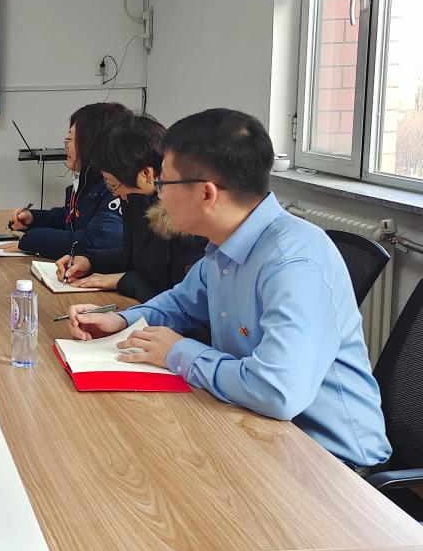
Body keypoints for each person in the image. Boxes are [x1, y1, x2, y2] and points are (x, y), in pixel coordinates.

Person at [66, 108, 390, 468]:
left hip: (331, 463)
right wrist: (123, 321)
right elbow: (182, 303)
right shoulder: (225, 245)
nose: (158, 195)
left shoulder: (294, 263)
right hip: (257, 429)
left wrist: (177, 352)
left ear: (206, 194)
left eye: (164, 184)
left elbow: (277, 391)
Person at [54, 112, 206, 302]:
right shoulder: (137, 200)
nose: (114, 193)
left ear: (146, 174)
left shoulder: (184, 220)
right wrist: (90, 261)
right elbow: (136, 257)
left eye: (112, 184)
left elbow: (180, 301)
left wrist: (122, 280)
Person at [3, 102, 128, 259]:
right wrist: (33, 219)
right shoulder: (88, 181)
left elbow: (94, 242)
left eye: (72, 139)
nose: (66, 146)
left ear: (95, 144)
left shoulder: (117, 188)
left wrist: (31, 239)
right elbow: (71, 219)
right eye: (67, 138)